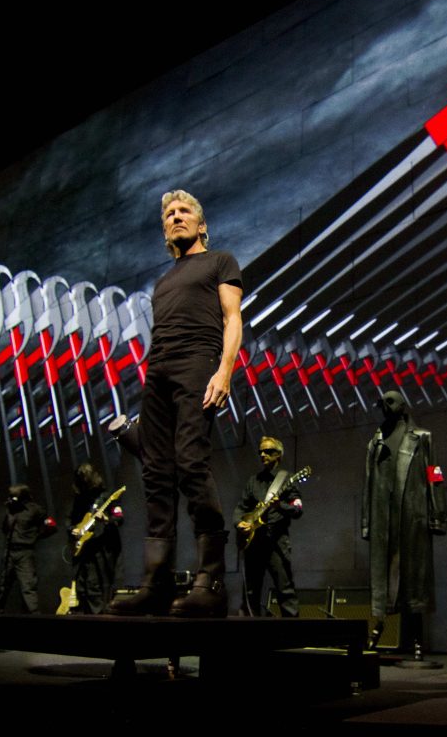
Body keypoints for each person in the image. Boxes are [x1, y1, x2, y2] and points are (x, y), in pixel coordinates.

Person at [110, 189, 243, 618]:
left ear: (201, 225)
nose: (176, 216)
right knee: (155, 472)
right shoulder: (163, 281)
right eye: (169, 213)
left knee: (190, 462)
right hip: (159, 371)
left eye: (184, 211)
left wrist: (224, 371)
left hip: (197, 362)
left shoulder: (220, 261)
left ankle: (211, 582)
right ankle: (156, 581)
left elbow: (233, 317)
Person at [363, 390, 447, 649]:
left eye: (390, 401)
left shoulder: (422, 437)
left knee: (414, 577)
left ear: (402, 404)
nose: (385, 407)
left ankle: (417, 638)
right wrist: (367, 522)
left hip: (413, 514)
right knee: (384, 577)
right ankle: (379, 625)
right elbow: (368, 484)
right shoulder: (375, 442)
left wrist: (438, 515)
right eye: (382, 403)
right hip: (382, 517)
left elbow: (434, 476)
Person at [234, 436, 303, 617]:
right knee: (250, 591)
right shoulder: (253, 481)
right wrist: (239, 522)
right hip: (254, 542)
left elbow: (298, 509)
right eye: (261, 452)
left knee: (284, 589)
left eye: (268, 451)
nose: (263, 455)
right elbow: (241, 508)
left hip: (277, 542)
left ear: (278, 455)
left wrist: (280, 506)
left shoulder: (287, 479)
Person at [68, 463, 124, 614]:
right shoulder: (80, 500)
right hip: (84, 548)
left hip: (103, 547)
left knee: (97, 585)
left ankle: (100, 616)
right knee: (82, 586)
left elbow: (119, 518)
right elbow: (71, 521)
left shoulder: (107, 497)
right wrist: (73, 529)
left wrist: (106, 519)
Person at [0, 484, 56, 614]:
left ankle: (33, 613)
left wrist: (35, 537)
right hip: (9, 551)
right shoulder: (10, 509)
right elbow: (4, 528)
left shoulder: (35, 510)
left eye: (14, 496)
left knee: (28, 585)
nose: (11, 499)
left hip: (25, 552)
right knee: (2, 584)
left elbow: (52, 526)